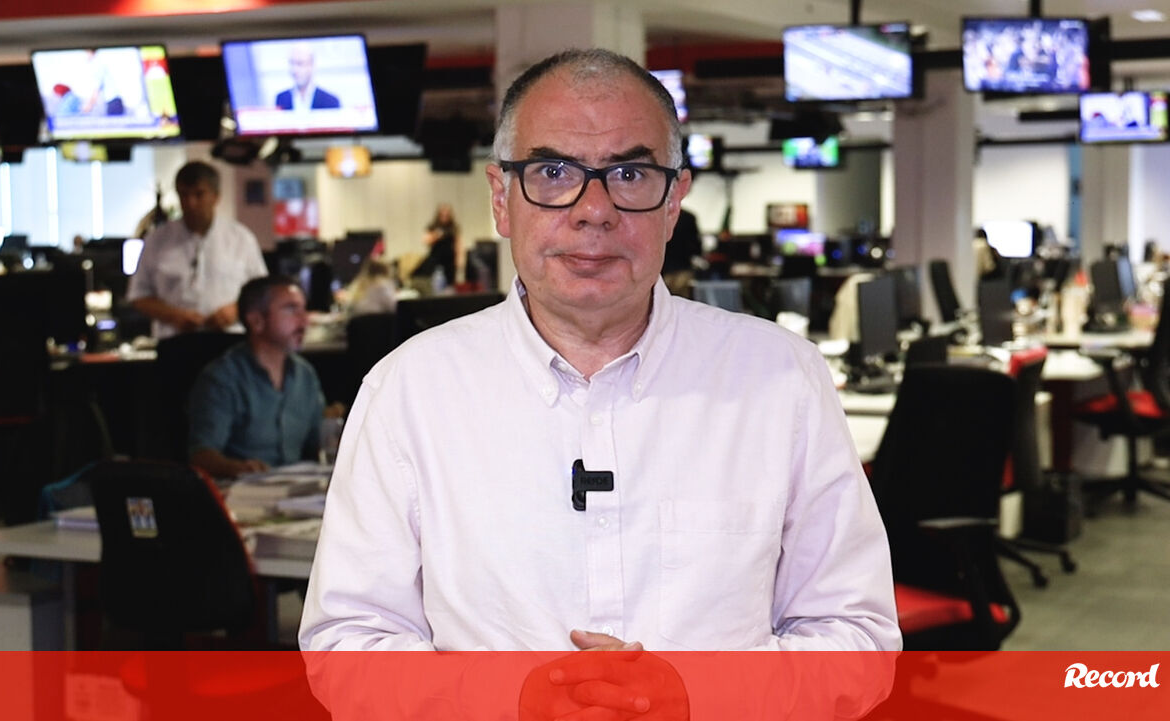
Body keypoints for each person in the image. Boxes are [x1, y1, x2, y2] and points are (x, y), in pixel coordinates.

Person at [300, 47, 898, 661]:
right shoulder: (410, 390)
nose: (593, 212)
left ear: (674, 201)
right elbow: (347, 638)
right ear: (501, 198)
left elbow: (857, 633)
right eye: (553, 172)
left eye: (630, 175)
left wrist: (697, 695)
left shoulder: (781, 379)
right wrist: (505, 700)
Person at [186, 275, 328, 479]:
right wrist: (236, 468)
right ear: (256, 321)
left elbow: (319, 444)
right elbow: (201, 456)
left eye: (303, 309)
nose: (304, 321)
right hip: (241, 490)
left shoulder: (305, 374)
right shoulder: (222, 377)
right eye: (291, 309)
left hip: (295, 489)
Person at [128, 161, 268, 338]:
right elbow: (139, 295)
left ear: (215, 197)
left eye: (199, 194)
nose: (191, 203)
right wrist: (174, 316)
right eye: (184, 195)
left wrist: (236, 310)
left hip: (229, 338)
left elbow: (262, 292)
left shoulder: (241, 239)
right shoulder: (157, 240)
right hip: (175, 340)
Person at [410, 203, 461, 292]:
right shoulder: (433, 226)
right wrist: (436, 235)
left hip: (449, 260)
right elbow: (425, 240)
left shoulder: (453, 228)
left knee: (450, 285)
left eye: (447, 215)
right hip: (435, 258)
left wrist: (459, 260)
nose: (444, 217)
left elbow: (458, 245)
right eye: (442, 215)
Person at [275, 44, 340, 110]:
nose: (294, 70)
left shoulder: (331, 101)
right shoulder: (281, 98)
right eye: (292, 63)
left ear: (311, 65)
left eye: (300, 63)